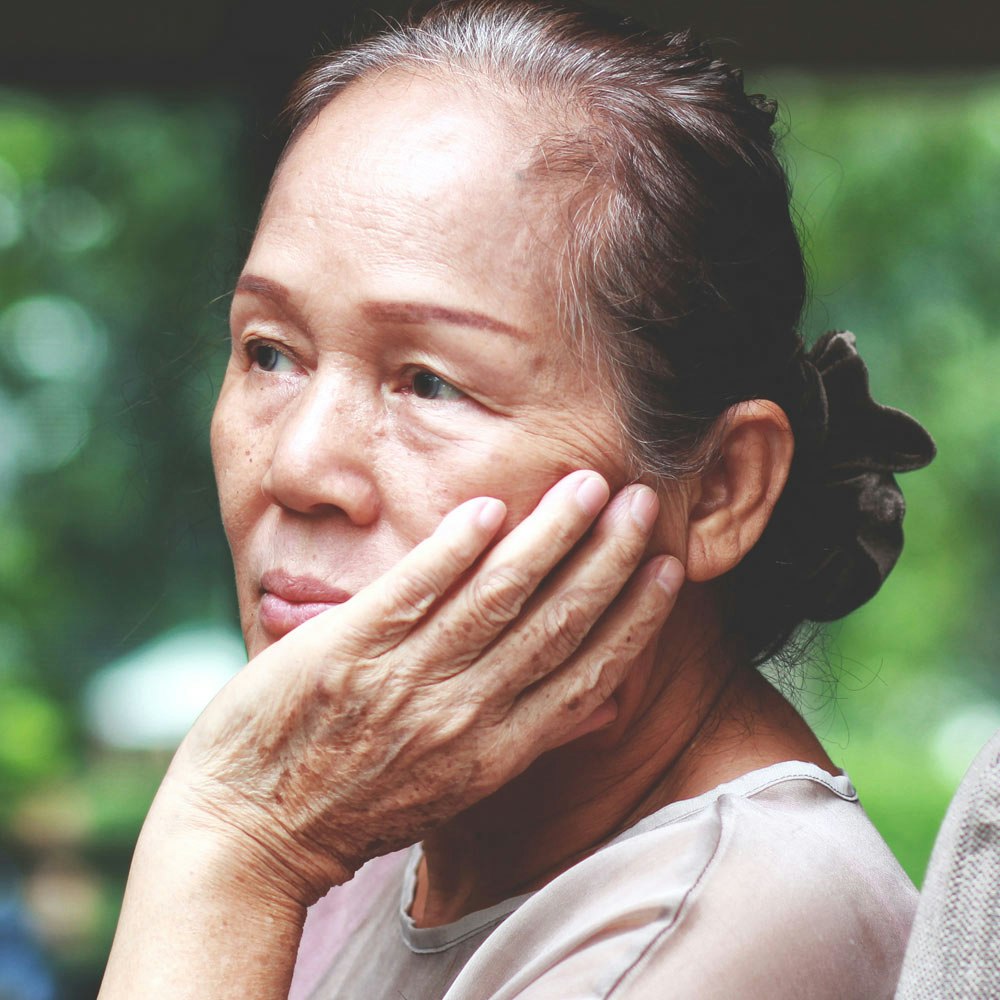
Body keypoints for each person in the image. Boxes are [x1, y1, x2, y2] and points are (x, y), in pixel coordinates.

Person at [98, 2, 936, 997]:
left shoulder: (737, 925)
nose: (296, 466)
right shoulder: (373, 833)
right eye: (269, 352)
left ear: (718, 489)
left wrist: (233, 839)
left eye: (427, 381)